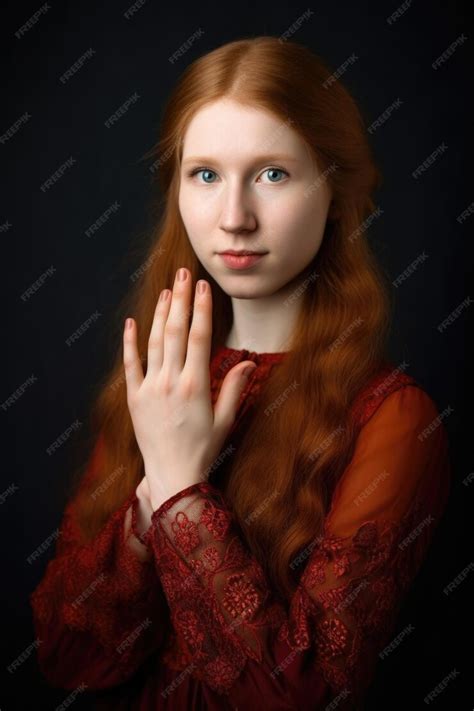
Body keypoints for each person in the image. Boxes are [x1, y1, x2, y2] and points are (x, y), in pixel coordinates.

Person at [30, 36, 451, 710]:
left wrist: (178, 487)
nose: (233, 217)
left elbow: (303, 693)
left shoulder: (394, 418)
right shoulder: (158, 383)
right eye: (205, 174)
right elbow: (66, 652)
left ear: (336, 190)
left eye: (273, 174)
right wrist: (146, 507)